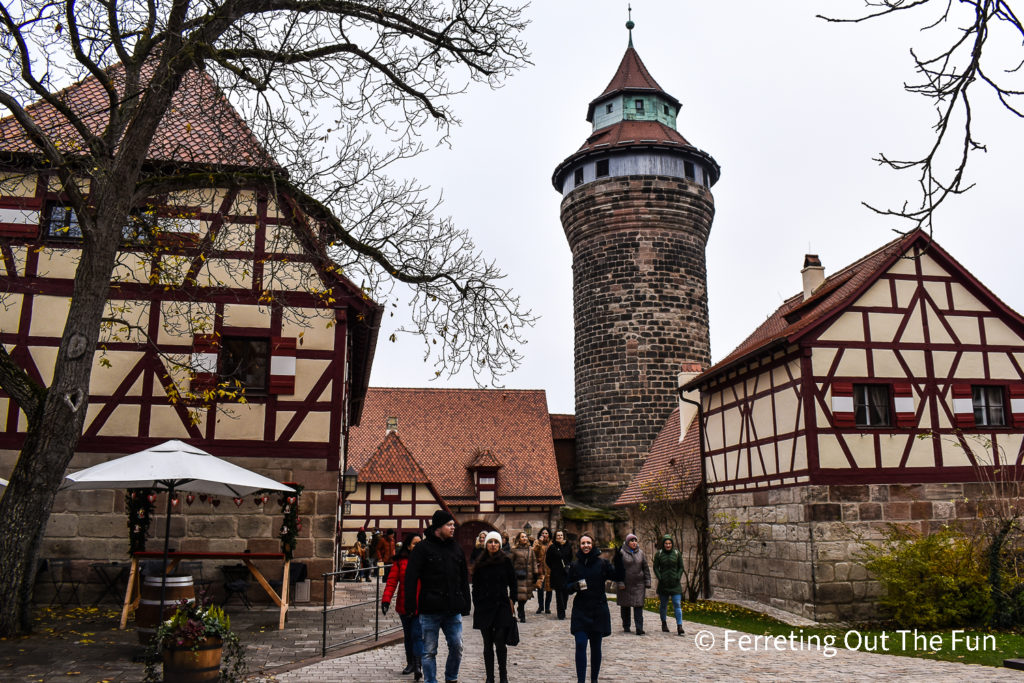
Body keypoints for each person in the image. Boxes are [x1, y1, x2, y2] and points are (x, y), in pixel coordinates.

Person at [404, 510, 470, 683]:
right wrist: (410, 605)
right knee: (429, 651)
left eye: (453, 525)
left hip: (452, 608)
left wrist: (466, 603)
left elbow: (464, 577)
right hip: (430, 608)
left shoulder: (456, 547)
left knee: (457, 646)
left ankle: (451, 678)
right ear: (438, 528)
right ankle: (431, 681)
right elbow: (410, 578)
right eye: (449, 525)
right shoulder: (422, 549)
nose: (453, 528)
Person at [566, 533, 621, 683]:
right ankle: (581, 681)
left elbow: (617, 576)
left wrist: (619, 559)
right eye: (583, 543)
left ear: (593, 544)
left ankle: (594, 679)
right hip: (581, 610)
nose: (586, 546)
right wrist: (575, 586)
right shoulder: (575, 565)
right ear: (579, 545)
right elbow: (567, 587)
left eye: (588, 543)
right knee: (581, 643)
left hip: (598, 610)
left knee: (596, 647)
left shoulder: (602, 563)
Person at [471, 531, 516, 683]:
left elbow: (513, 583)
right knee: (487, 643)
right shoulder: (480, 562)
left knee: (500, 641)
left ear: (500, 544)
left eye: (496, 542)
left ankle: (503, 675)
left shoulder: (506, 561)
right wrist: (477, 603)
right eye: (490, 542)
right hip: (484, 607)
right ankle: (490, 677)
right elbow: (475, 587)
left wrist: (512, 600)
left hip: (501, 606)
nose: (493, 545)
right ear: (486, 544)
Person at [382, 533, 423, 680]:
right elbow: (392, 581)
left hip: (420, 605)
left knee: (417, 635)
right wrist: (386, 600)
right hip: (404, 604)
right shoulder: (400, 561)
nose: (417, 546)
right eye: (414, 543)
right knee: (408, 636)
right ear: (408, 546)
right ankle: (410, 663)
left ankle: (418, 665)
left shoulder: (425, 560)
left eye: (420, 543)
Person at [613, 533, 651, 635]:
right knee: (625, 606)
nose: (634, 543)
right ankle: (626, 626)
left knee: (638, 606)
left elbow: (645, 568)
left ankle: (639, 628)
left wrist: (647, 581)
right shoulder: (621, 552)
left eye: (635, 541)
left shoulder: (641, 553)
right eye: (631, 541)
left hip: (639, 584)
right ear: (627, 542)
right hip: (625, 584)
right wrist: (620, 582)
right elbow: (617, 569)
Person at [653, 534, 685, 636]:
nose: (668, 545)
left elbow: (681, 567)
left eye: (669, 543)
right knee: (663, 605)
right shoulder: (659, 554)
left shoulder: (676, 553)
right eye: (666, 543)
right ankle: (664, 623)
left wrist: (678, 576)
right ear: (663, 544)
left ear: (672, 544)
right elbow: (655, 567)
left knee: (677, 604)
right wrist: (660, 577)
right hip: (663, 584)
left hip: (675, 584)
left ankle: (679, 626)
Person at [545, 530, 573, 620]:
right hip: (556, 573)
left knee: (565, 592)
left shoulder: (568, 546)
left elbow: (570, 557)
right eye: (558, 535)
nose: (560, 537)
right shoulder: (552, 547)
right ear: (555, 537)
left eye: (561, 535)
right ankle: (560, 613)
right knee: (559, 593)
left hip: (566, 572)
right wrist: (553, 567)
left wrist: (568, 566)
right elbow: (547, 560)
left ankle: (563, 607)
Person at [510, 531, 536, 623]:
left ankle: (520, 610)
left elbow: (534, 562)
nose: (524, 538)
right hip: (518, 577)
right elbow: (510, 563)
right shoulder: (514, 550)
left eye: (525, 537)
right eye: (522, 537)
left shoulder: (530, 550)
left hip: (528, 576)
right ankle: (521, 613)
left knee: (525, 597)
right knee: (520, 596)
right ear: (519, 539)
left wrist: (535, 573)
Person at [532, 527, 553, 614]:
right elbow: (534, 552)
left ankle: (547, 607)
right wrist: (539, 543)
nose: (544, 535)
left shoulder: (551, 543)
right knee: (540, 587)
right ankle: (540, 606)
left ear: (549, 535)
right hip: (540, 568)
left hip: (549, 568)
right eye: (543, 533)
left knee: (549, 588)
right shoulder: (537, 542)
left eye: (546, 533)